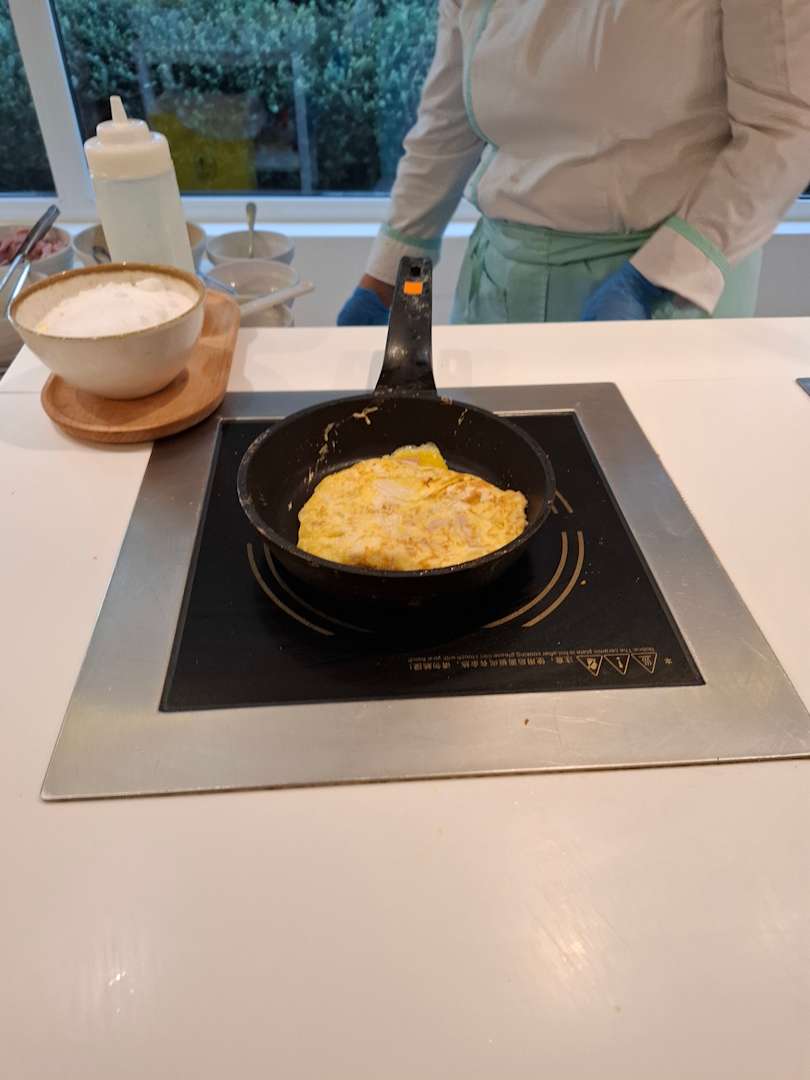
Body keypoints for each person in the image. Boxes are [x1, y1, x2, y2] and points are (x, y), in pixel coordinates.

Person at [338, 0, 810, 326]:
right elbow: (447, 123)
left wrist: (653, 279)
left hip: (661, 293)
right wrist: (383, 277)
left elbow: (785, 127)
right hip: (498, 288)